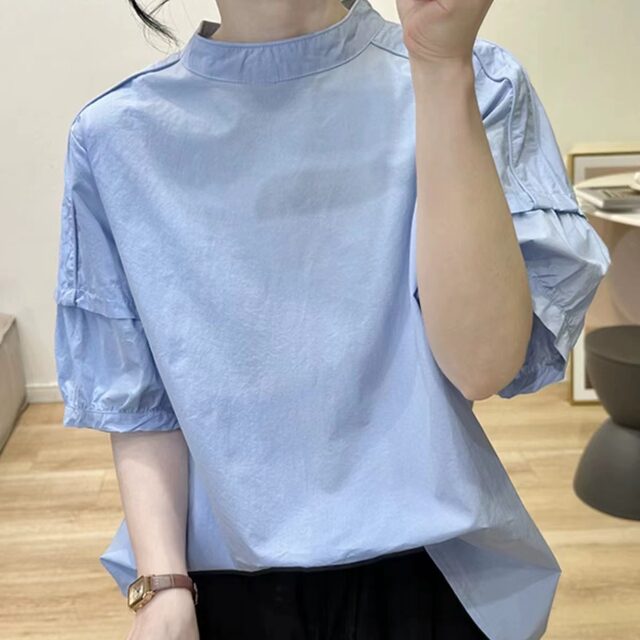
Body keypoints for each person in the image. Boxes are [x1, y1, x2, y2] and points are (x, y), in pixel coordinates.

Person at [52, 0, 611, 638]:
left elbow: (482, 364)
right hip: (220, 580)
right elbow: (142, 402)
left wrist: (441, 67)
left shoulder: (474, 81)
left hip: (429, 570)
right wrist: (161, 586)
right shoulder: (117, 135)